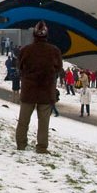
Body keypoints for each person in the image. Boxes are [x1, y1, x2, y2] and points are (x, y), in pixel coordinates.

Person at [15, 21, 63, 154]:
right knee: (43, 122)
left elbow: (19, 66)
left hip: (29, 90)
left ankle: (21, 144)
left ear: (34, 34)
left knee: (23, 120)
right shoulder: (54, 51)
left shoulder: (26, 50)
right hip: (46, 91)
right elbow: (59, 68)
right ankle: (41, 147)